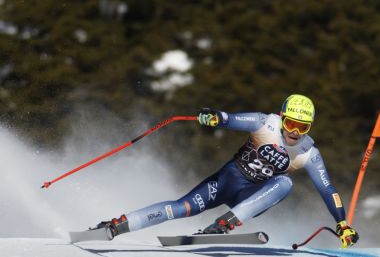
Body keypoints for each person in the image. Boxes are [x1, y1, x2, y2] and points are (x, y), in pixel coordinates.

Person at [94, 94, 359, 248]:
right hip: (225, 181)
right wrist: (215, 117)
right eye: (291, 123)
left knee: (285, 183)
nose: (294, 133)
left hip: (251, 197)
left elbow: (328, 189)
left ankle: (224, 224)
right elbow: (231, 119)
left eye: (303, 127)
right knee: (180, 208)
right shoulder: (265, 123)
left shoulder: (308, 153)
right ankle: (118, 225)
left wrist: (343, 223)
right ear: (282, 117)